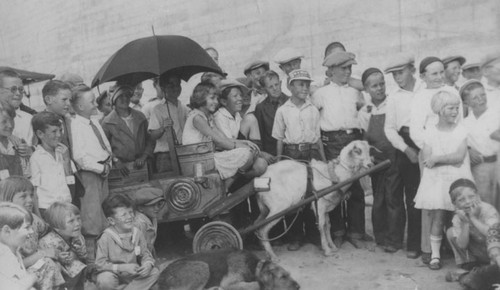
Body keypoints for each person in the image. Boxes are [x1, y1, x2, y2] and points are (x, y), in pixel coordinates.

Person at [312, 51, 370, 249]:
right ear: (331, 70)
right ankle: (337, 232)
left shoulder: (355, 92)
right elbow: (314, 121)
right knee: (333, 188)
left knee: (355, 188)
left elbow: (365, 110)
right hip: (333, 142)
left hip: (353, 139)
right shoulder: (320, 94)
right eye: (343, 68)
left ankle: (356, 232)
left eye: (349, 68)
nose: (347, 72)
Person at [410, 57, 464, 264]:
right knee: (432, 201)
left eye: (442, 72)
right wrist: (433, 148)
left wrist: (452, 146)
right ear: (422, 76)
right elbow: (416, 131)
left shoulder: (453, 92)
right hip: (430, 152)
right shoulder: (419, 98)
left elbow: (459, 122)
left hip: (452, 151)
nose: (440, 77)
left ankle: (452, 244)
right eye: (434, 74)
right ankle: (427, 248)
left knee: (453, 196)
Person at [414, 90, 473, 270]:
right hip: (437, 181)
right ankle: (435, 255)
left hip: (457, 178)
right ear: (440, 110)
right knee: (438, 217)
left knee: (462, 216)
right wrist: (435, 160)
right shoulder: (430, 131)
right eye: (450, 108)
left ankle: (465, 257)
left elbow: (459, 157)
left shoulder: (461, 130)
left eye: (457, 108)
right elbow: (427, 157)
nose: (455, 112)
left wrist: (438, 159)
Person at [272, 69, 326, 250]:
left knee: (313, 194)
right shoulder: (283, 111)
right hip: (292, 154)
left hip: (310, 153)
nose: (305, 88)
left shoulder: (312, 110)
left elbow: (318, 138)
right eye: (301, 84)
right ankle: (296, 236)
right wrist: (280, 163)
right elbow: (279, 138)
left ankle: (313, 234)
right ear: (290, 86)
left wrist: (323, 160)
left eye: (307, 84)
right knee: (294, 196)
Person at [183, 81, 266, 184]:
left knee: (249, 154)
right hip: (197, 162)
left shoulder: (208, 117)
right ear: (201, 98)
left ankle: (230, 184)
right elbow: (219, 142)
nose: (216, 102)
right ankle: (227, 186)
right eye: (212, 98)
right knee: (246, 154)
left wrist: (244, 143)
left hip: (207, 157)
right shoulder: (197, 118)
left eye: (216, 98)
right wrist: (244, 147)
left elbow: (223, 138)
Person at [383, 54, 423, 259]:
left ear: (412, 70)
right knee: (409, 197)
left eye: (401, 72)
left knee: (428, 196)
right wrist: (406, 150)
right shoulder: (394, 97)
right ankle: (409, 244)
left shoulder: (425, 89)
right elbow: (389, 129)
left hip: (427, 142)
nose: (397, 77)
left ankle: (429, 245)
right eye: (394, 74)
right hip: (405, 145)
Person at [358, 68, 400, 254]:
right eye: (374, 85)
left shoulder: (393, 103)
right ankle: (380, 237)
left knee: (394, 199)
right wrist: (370, 159)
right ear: (366, 89)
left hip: (394, 158)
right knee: (379, 198)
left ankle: (394, 239)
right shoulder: (365, 111)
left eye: (382, 83)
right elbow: (365, 138)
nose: (380, 88)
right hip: (377, 160)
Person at [0, 176, 66, 290]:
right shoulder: (5, 226)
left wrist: (63, 250)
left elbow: (49, 233)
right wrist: (42, 254)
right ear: (8, 199)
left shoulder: (34, 219)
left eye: (31, 195)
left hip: (34, 263)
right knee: (48, 264)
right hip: (14, 275)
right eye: (23, 196)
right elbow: (13, 265)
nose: (30, 200)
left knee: (61, 262)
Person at [70, 84, 112, 258]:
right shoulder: (76, 125)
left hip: (103, 172)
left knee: (103, 217)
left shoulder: (94, 122)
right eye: (92, 101)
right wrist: (100, 168)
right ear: (80, 106)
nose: (96, 104)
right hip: (90, 175)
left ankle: (105, 256)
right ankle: (91, 262)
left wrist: (109, 161)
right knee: (91, 220)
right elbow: (80, 158)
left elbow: (104, 144)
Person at [96, 194, 159, 290]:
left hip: (134, 275)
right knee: (104, 279)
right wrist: (123, 267)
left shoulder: (137, 233)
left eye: (130, 212)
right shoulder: (106, 237)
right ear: (111, 221)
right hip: (115, 275)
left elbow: (145, 254)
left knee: (154, 272)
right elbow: (100, 265)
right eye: (124, 214)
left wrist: (147, 264)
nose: (129, 216)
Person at [445, 179, 500, 278]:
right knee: (450, 232)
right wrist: (465, 223)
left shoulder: (487, 209)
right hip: (480, 252)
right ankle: (471, 264)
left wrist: (473, 218)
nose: (467, 202)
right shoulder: (458, 217)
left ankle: (482, 271)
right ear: (454, 204)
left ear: (478, 196)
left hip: (495, 251)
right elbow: (462, 245)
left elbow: (492, 233)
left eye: (471, 197)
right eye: (461, 200)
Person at [461, 80, 499, 207]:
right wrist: (467, 149)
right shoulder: (465, 123)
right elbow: (458, 143)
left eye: (483, 95)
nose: (481, 100)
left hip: (498, 163)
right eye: (475, 98)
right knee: (486, 206)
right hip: (480, 168)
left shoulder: (496, 114)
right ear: (466, 103)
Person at [101, 85, 153, 176]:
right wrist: (116, 160)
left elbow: (150, 140)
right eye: (120, 96)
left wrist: (143, 157)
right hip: (121, 170)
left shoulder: (140, 117)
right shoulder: (107, 122)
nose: (125, 99)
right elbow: (103, 147)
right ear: (114, 99)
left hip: (142, 166)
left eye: (127, 95)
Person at [39, 202, 88, 290]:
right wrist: (58, 257)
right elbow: (46, 264)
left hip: (72, 274)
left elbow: (83, 255)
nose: (77, 223)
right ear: (57, 227)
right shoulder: (48, 241)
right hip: (55, 275)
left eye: (78, 219)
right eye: (71, 221)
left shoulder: (77, 236)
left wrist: (76, 253)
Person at [30, 112, 73, 212]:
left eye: (60, 130)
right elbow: (34, 190)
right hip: (47, 208)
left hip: (66, 205)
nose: (59, 135)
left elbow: (71, 181)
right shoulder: (36, 157)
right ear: (40, 134)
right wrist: (38, 215)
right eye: (54, 131)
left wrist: (66, 160)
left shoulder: (63, 152)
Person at [148, 74, 189, 173]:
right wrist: (163, 128)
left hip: (183, 152)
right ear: (163, 88)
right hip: (165, 156)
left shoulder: (184, 108)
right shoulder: (158, 109)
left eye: (177, 84)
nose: (175, 88)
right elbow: (152, 136)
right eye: (171, 85)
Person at [0, 70, 33, 176]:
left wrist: (30, 150)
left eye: (21, 89)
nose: (18, 93)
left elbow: (35, 146)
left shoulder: (28, 118)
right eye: (13, 89)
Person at [0, 202, 37, 290]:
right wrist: (32, 278)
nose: (32, 231)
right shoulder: (3, 257)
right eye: (27, 227)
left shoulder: (12, 250)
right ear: (7, 231)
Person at [254, 70, 289, 156]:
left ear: (280, 83)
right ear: (264, 89)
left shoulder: (291, 102)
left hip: (292, 152)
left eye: (276, 84)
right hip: (272, 154)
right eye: (270, 87)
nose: (275, 88)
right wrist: (263, 154)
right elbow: (260, 135)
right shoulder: (260, 108)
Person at [129, 187, 166, 257]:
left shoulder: (152, 218)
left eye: (158, 204)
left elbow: (150, 245)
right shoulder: (139, 223)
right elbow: (135, 249)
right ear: (140, 208)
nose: (157, 208)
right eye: (152, 205)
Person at [41, 80, 73, 147]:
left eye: (70, 100)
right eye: (64, 100)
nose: (68, 103)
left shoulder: (67, 119)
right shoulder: (40, 122)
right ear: (48, 100)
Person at [0, 103, 24, 177]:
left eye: (12, 120)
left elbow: (27, 172)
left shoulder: (17, 144)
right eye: (4, 121)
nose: (10, 125)